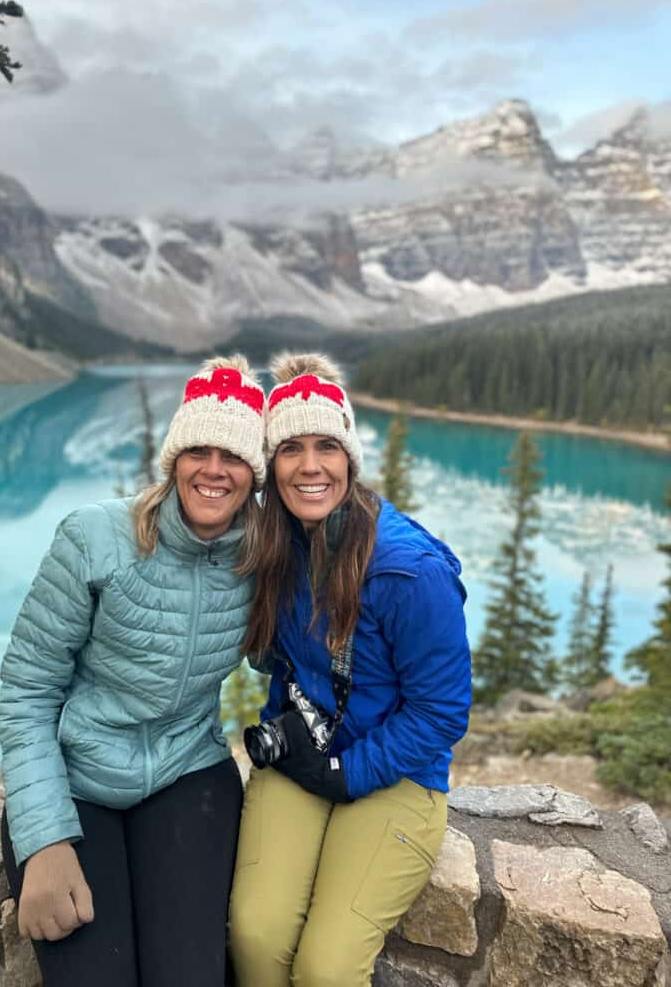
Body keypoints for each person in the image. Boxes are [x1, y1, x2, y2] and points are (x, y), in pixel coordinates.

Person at [0, 356, 266, 987]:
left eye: (232, 456)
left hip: (188, 773)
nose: (214, 469)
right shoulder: (94, 538)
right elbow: (27, 691)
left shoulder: (263, 555)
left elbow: (297, 645)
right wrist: (43, 840)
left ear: (252, 473)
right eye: (197, 449)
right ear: (174, 459)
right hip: (78, 779)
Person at [228, 353, 472, 987]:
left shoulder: (407, 570)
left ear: (350, 460)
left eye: (327, 447)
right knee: (254, 938)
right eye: (291, 449)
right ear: (271, 465)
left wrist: (347, 773)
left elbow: (441, 712)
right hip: (303, 755)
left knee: (327, 968)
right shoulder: (278, 545)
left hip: (395, 775)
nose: (310, 466)